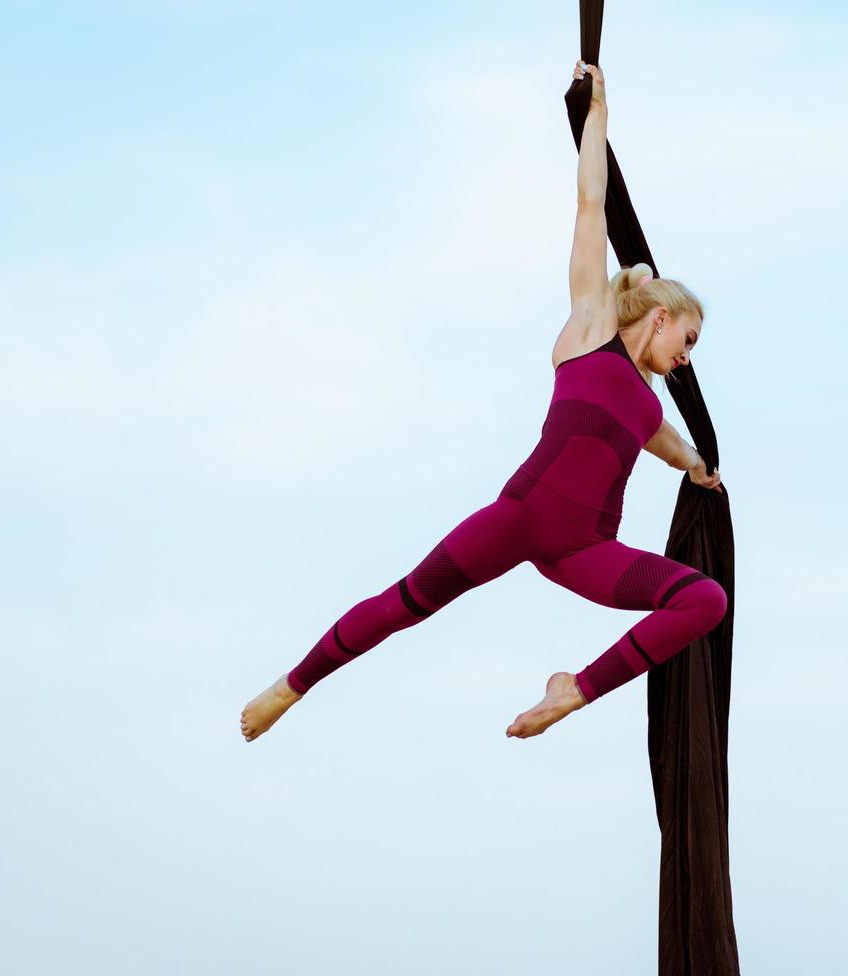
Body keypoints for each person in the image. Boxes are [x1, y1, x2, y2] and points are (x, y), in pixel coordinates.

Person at [240, 59, 725, 743]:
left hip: (587, 549)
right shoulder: (590, 330)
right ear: (661, 312)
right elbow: (591, 205)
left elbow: (673, 445)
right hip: (518, 520)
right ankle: (292, 684)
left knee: (703, 599)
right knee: (404, 602)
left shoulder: (648, 408)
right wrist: (598, 117)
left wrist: (701, 467)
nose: (687, 355)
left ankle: (572, 692)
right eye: (689, 337)